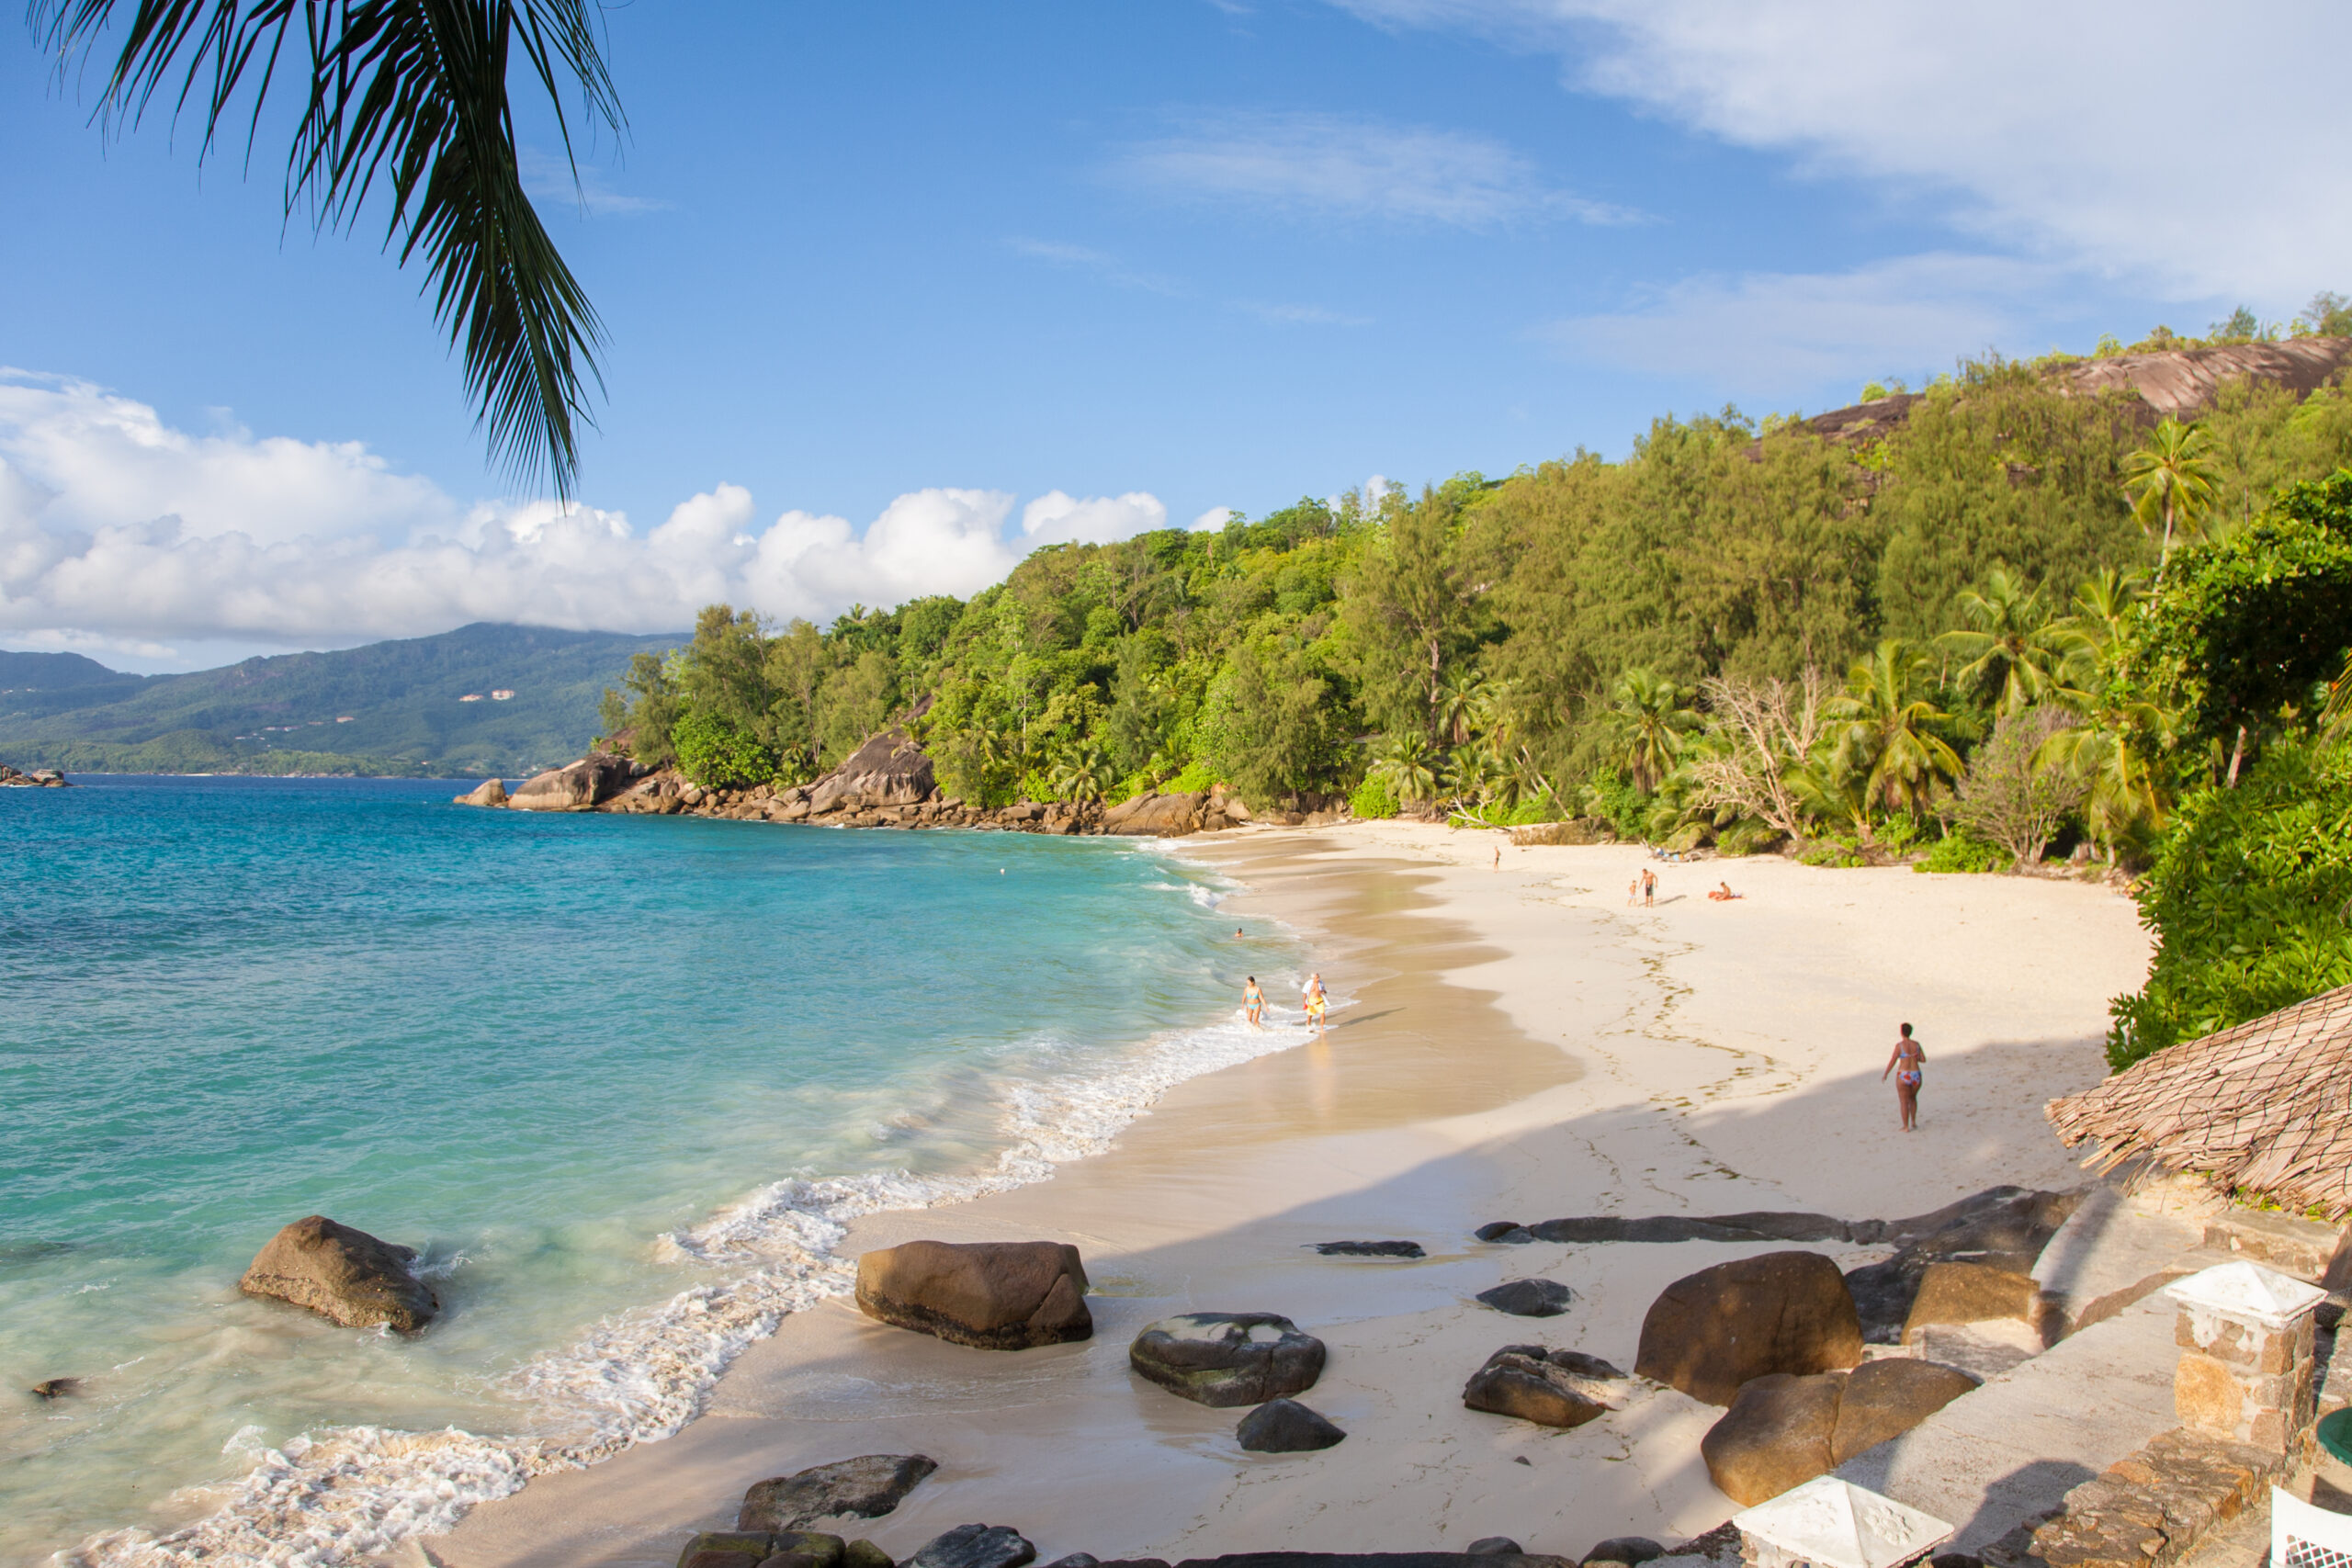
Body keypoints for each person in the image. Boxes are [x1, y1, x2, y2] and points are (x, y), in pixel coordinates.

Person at [1883, 1022, 1926, 1131]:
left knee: (1903, 1101)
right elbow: (1923, 1060)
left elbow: (1893, 1060)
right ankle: (1914, 1122)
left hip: (1904, 1074)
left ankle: (1906, 1126)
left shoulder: (1899, 1046)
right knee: (1913, 1098)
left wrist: (1886, 1073)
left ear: (1901, 1032)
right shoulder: (1916, 1044)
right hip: (1916, 1074)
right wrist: (1915, 1057)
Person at [1303, 973, 1329, 1037]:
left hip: (1319, 1000)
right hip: (1311, 1001)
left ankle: (1321, 1029)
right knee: (1310, 1015)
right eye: (1317, 978)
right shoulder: (1308, 984)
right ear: (1313, 978)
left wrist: (1323, 991)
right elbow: (1304, 993)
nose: (1318, 979)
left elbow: (1325, 991)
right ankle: (1308, 1026)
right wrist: (1304, 1003)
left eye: (1318, 977)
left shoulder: (1321, 983)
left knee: (1322, 1014)